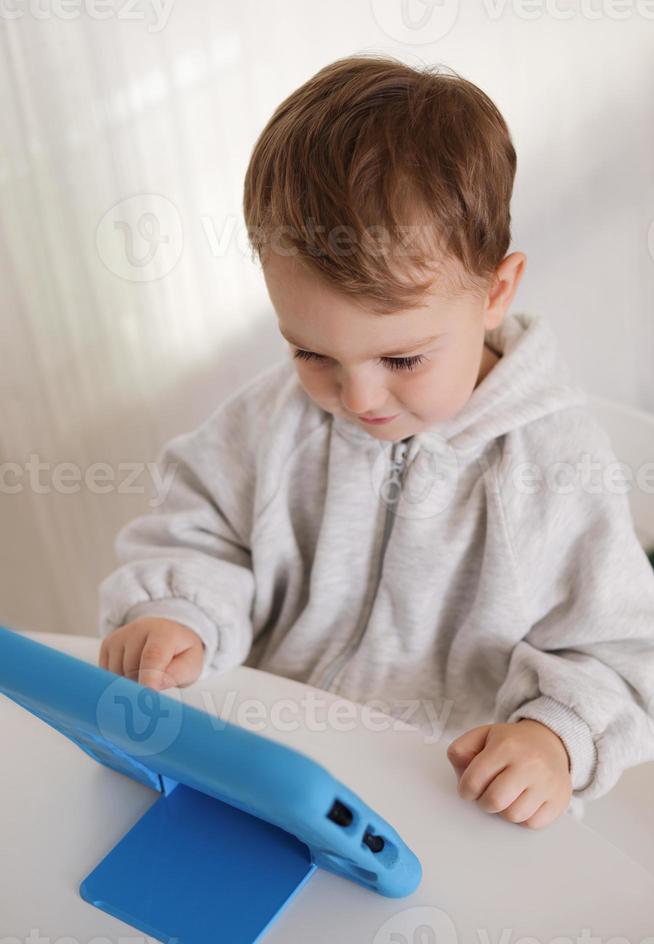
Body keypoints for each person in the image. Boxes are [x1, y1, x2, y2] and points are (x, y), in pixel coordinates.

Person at [97, 54, 654, 829]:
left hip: (436, 803)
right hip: (261, 763)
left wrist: (553, 739)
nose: (355, 398)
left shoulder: (556, 468)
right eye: (312, 353)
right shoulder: (275, 418)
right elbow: (203, 528)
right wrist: (178, 611)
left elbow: (619, 653)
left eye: (401, 358)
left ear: (495, 292)